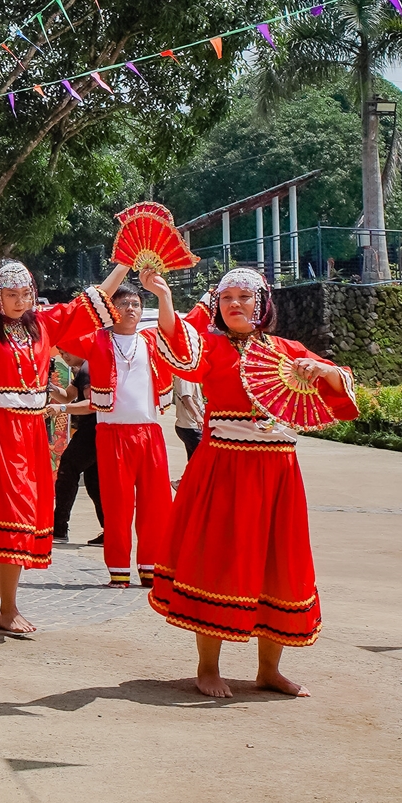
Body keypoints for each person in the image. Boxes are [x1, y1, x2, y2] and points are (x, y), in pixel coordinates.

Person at [152, 266, 354, 698]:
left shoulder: (287, 350)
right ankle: (208, 668)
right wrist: (164, 297)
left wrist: (321, 372)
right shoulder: (210, 346)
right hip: (224, 467)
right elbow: (177, 344)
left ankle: (269, 670)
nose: (235, 305)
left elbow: (343, 384)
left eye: (244, 298)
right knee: (217, 560)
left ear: (262, 304)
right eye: (226, 299)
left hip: (278, 472)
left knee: (278, 564)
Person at [0, 260, 131, 634]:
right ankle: (7, 607)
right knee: (12, 518)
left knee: (14, 518)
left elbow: (92, 299)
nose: (20, 301)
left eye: (25, 294)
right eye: (11, 295)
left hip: (30, 432)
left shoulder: (45, 324)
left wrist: (124, 264)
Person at [61, 275, 180, 587]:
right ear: (110, 309)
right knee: (117, 505)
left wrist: (163, 294)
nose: (130, 308)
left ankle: (151, 568)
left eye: (136, 304)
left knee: (156, 505)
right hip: (113, 433)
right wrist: (109, 288)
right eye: (123, 303)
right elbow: (70, 330)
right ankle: (118, 570)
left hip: (150, 433)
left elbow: (174, 332)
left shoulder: (152, 341)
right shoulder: (96, 340)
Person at [52, 353, 103, 545]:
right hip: (93, 428)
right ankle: (110, 530)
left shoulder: (89, 367)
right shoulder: (84, 369)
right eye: (62, 352)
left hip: (93, 427)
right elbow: (68, 396)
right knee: (94, 481)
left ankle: (59, 527)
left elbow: (92, 404)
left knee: (68, 468)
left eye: (67, 352)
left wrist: (63, 410)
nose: (64, 357)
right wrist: (49, 388)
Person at [172, 376, 204, 458]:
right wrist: (197, 415)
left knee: (194, 460)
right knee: (201, 458)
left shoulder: (191, 377)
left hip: (191, 426)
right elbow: (186, 397)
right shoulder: (185, 377)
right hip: (191, 427)